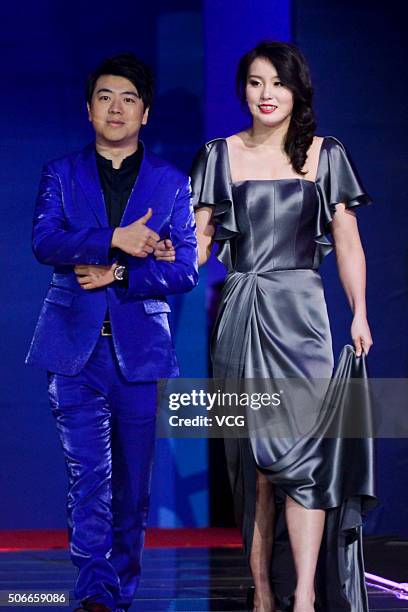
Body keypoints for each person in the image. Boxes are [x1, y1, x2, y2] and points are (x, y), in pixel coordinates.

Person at [156, 41, 376, 612]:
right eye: (255, 83)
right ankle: (261, 593)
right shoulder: (218, 154)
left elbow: (346, 240)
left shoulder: (327, 154)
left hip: (304, 318)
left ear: (297, 89)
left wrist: (359, 312)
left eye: (277, 82)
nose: (266, 94)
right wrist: (159, 266)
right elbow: (198, 243)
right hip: (242, 315)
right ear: (243, 91)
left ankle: (303, 595)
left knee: (306, 461)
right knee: (254, 466)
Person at [26, 53, 198, 612]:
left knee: (132, 489)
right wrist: (114, 239)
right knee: (89, 479)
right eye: (105, 97)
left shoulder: (172, 183)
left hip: (141, 354)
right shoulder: (60, 172)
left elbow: (185, 270)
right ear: (88, 109)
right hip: (72, 347)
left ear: (145, 112)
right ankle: (95, 593)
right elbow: (45, 241)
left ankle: (119, 591)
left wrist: (119, 270)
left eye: (127, 98)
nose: (116, 107)